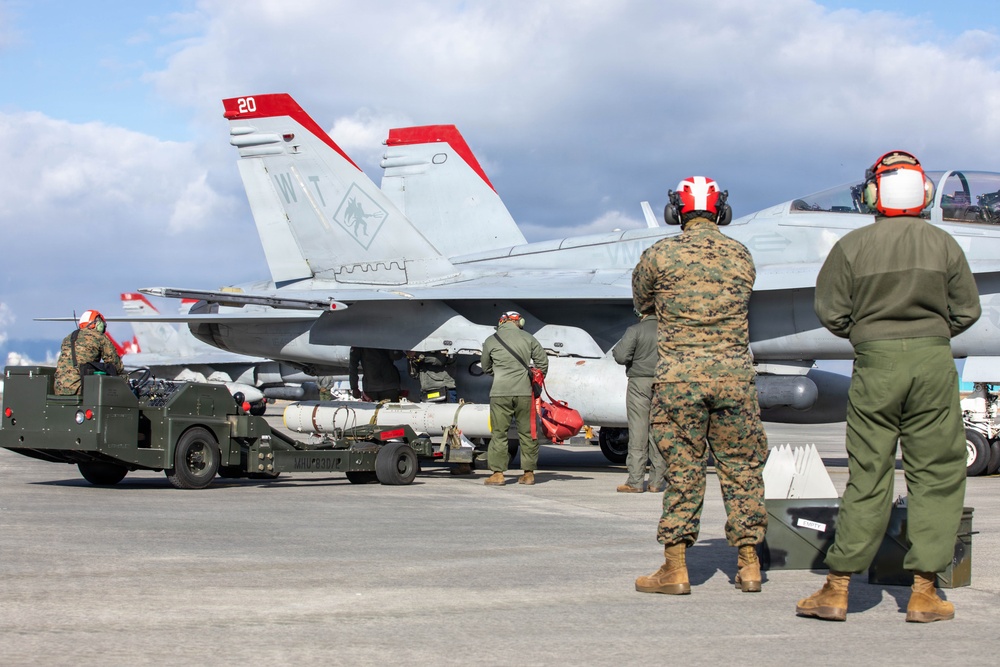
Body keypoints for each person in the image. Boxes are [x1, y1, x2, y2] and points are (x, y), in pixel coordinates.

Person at [796, 151, 981, 623]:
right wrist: (926, 333)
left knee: (868, 475)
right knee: (937, 475)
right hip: (933, 364)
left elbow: (831, 312)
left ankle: (837, 590)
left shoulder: (851, 247)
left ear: (874, 194)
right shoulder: (944, 244)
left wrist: (871, 335)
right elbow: (967, 312)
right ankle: (924, 593)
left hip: (875, 367)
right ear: (922, 194)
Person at [631, 176, 768, 595]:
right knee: (742, 470)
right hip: (735, 379)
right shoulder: (740, 254)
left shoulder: (659, 254)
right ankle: (748, 566)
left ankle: (675, 569)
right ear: (720, 210)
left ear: (677, 210)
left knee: (683, 469)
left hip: (678, 381)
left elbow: (642, 304)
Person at [480, 311, 548, 486]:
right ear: (520, 322)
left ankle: (498, 474)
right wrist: (533, 379)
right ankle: (529, 473)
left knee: (499, 433)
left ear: (501, 322)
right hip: (525, 392)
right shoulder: (529, 338)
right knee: (527, 433)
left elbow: (486, 366)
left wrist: (501, 375)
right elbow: (542, 363)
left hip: (500, 393)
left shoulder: (491, 340)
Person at [612, 312, 667, 493]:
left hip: (639, 383)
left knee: (638, 430)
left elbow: (621, 357)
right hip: (664, 383)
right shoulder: (668, 329)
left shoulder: (635, 330)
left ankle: (635, 482)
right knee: (658, 430)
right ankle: (657, 482)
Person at [53, 310, 127, 396]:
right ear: (97, 323)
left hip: (59, 389)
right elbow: (116, 366)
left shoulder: (68, 338)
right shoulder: (99, 337)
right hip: (80, 389)